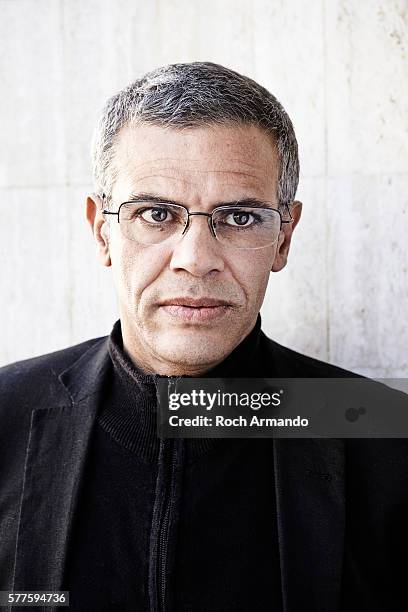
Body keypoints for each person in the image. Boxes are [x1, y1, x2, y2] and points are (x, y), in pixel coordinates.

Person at [0, 62, 407, 612]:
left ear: (284, 238)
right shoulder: (6, 414)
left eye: (239, 217)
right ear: (103, 233)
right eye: (156, 214)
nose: (196, 260)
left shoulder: (385, 438)